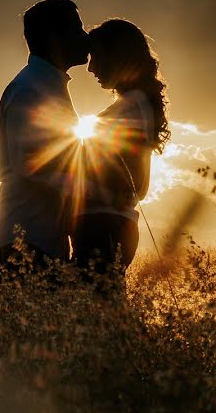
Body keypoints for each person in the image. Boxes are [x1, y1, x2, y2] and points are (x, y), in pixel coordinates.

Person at [0, 0, 91, 283]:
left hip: (34, 237)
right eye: (77, 29)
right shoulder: (31, 91)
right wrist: (91, 191)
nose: (86, 37)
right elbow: (29, 164)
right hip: (28, 240)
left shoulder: (41, 85)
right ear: (54, 38)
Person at [72, 19, 171, 292]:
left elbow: (129, 180)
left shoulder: (130, 109)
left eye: (97, 57)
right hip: (111, 225)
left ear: (118, 58)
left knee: (93, 313)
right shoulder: (135, 104)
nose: (90, 68)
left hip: (103, 226)